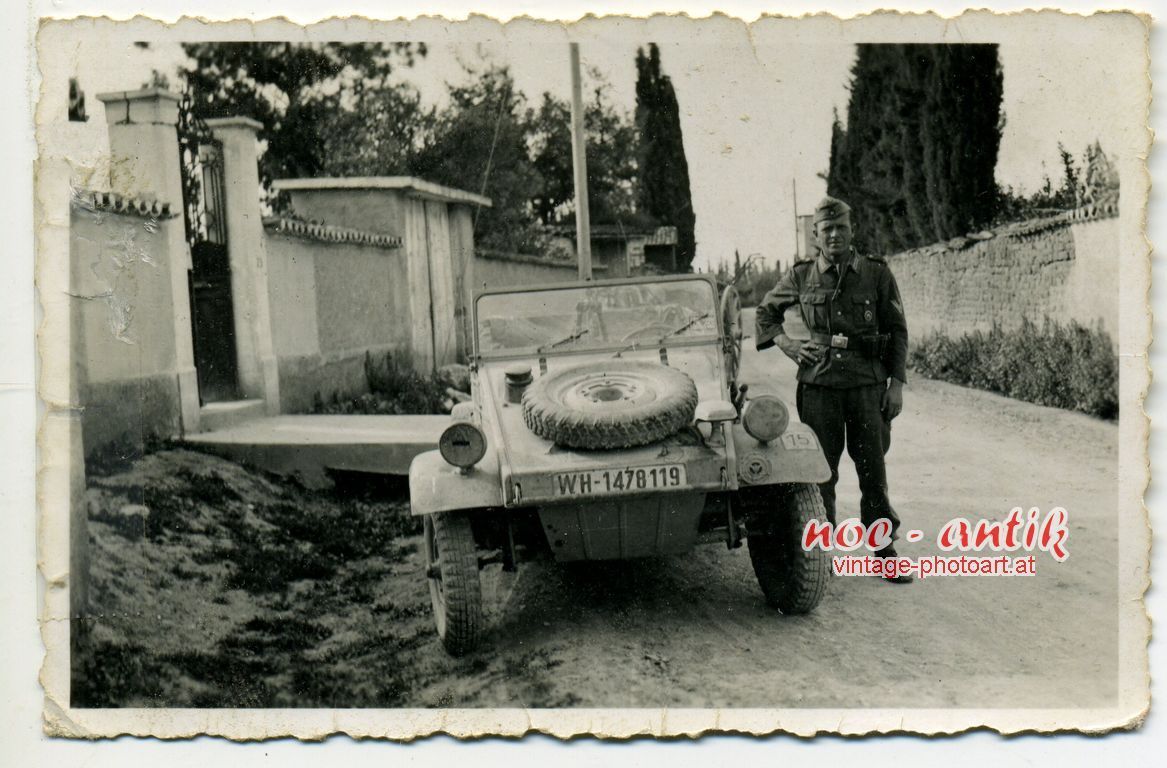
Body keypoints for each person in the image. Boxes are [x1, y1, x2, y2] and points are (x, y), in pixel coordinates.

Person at [755, 195, 912, 584]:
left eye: (842, 227)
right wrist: (789, 344)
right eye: (828, 229)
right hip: (819, 385)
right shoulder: (801, 275)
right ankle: (822, 554)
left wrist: (896, 385)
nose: (836, 235)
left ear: (852, 230)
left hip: (867, 386)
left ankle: (883, 551)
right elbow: (765, 314)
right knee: (820, 472)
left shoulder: (876, 273)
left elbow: (897, 331)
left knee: (872, 469)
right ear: (816, 235)